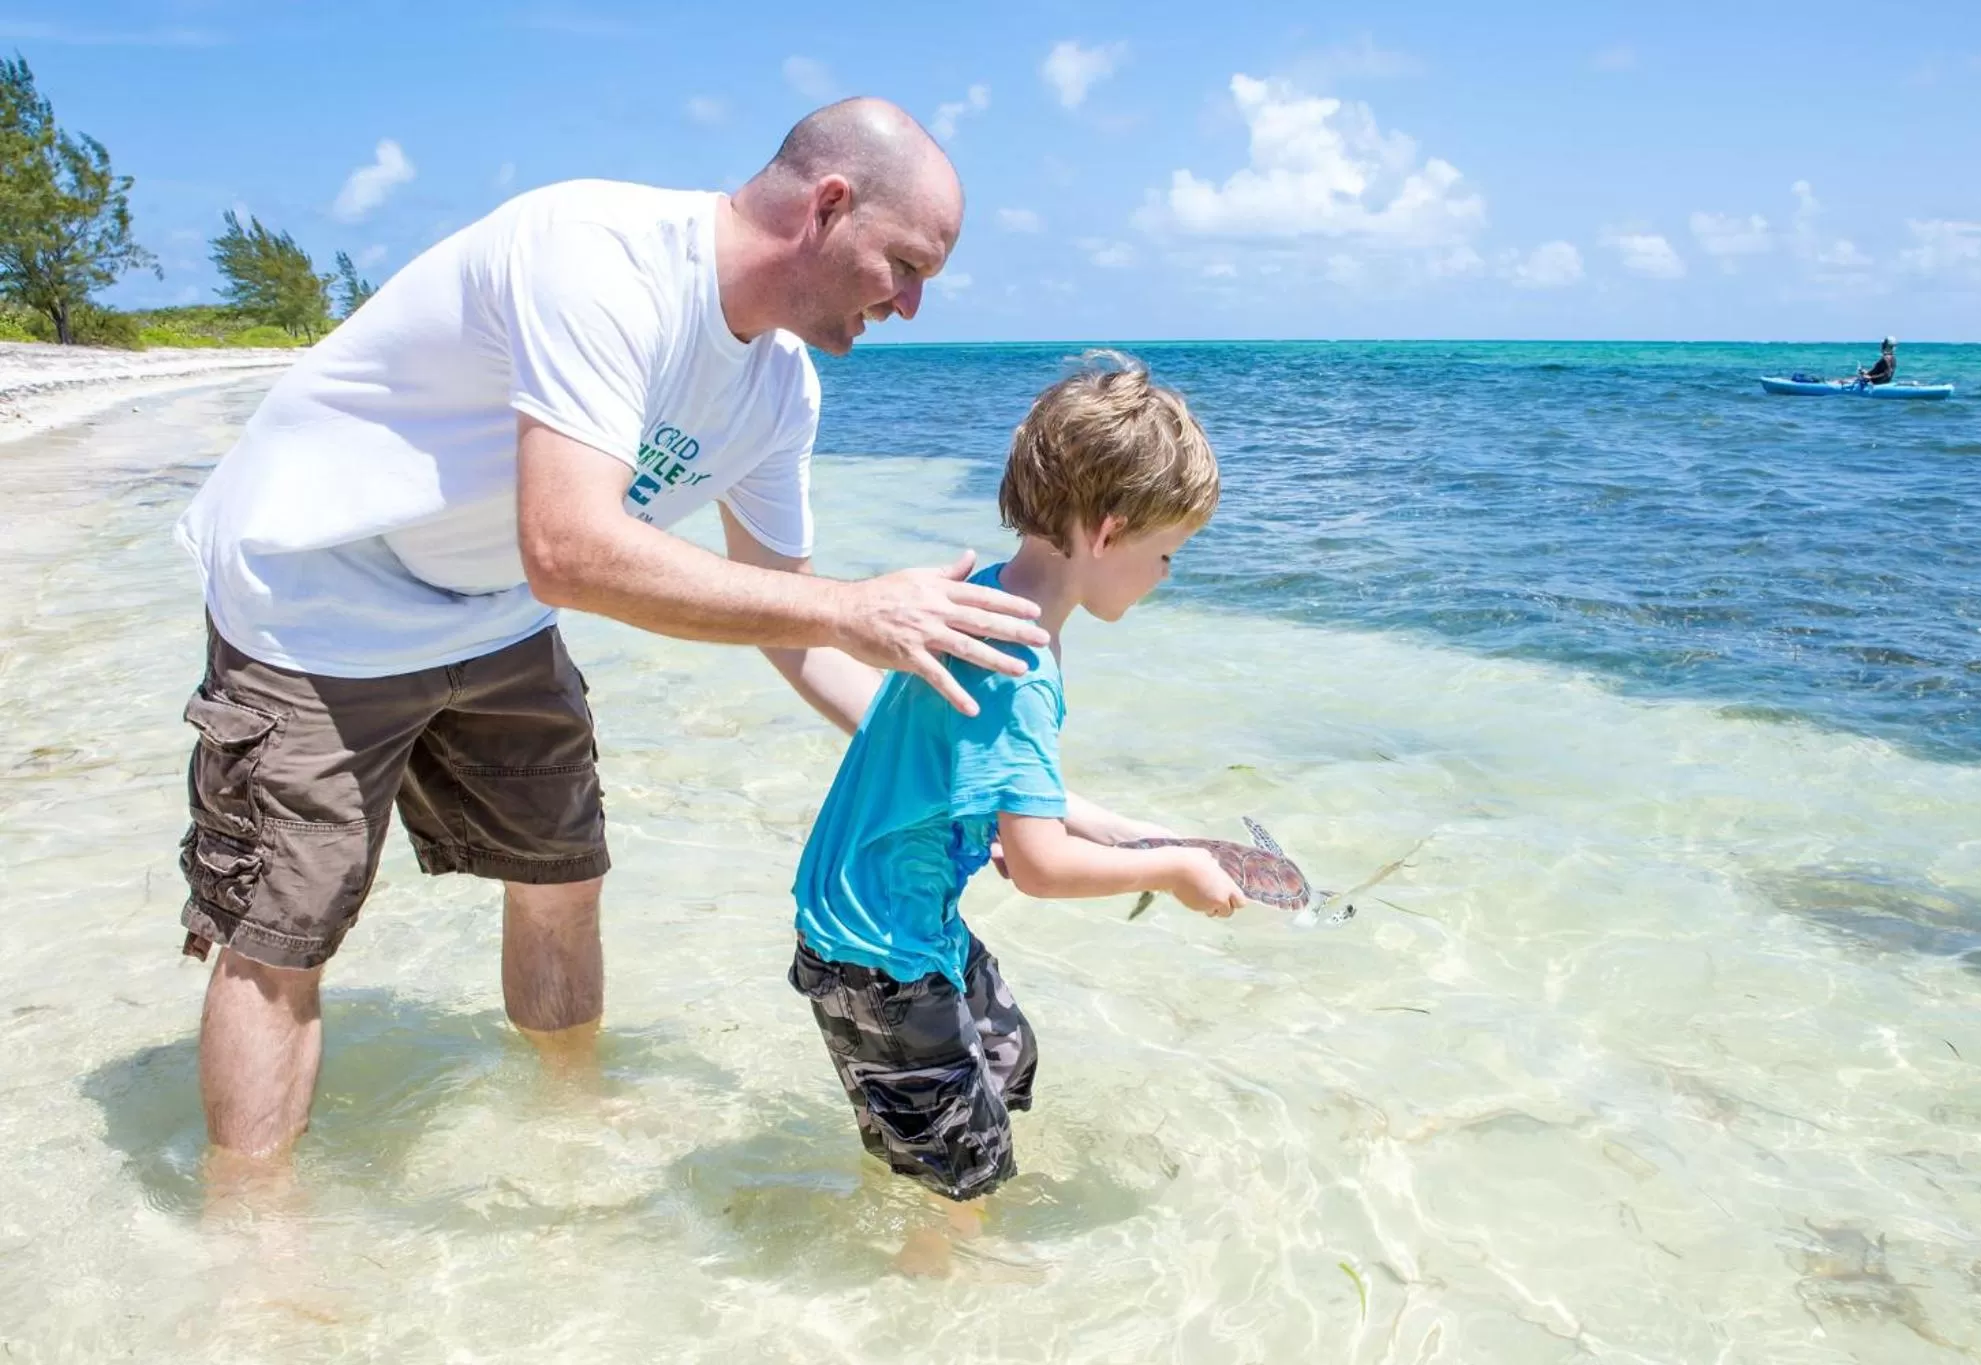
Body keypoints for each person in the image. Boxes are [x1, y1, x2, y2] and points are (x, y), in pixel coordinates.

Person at [172, 99, 1163, 1165]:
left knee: (563, 876)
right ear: (827, 206)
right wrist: (853, 602)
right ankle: (254, 1249)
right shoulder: (597, 259)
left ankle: (562, 1120)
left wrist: (1022, 791)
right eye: (905, 266)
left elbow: (789, 629)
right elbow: (571, 547)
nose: (914, 307)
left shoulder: (779, 390)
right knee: (285, 934)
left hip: (496, 610)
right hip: (315, 595)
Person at [786, 352, 1249, 1275]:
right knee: (970, 1175)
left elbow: (998, 784)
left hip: (885, 920)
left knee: (1006, 1051)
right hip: (879, 952)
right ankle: (928, 1281)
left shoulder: (991, 599)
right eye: (1167, 552)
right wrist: (1173, 869)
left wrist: (1112, 827)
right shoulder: (1022, 663)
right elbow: (1036, 865)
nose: (1167, 573)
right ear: (1109, 529)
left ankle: (917, 1154)